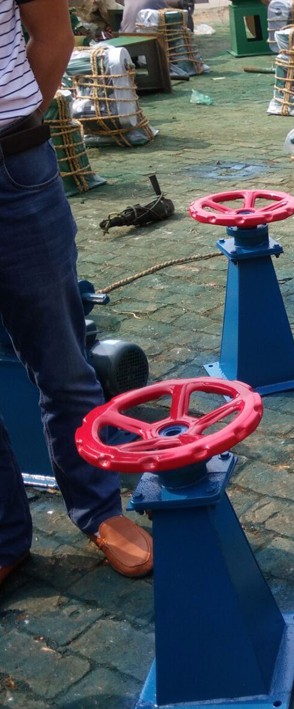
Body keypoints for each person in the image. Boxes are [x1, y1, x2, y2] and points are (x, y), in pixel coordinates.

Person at [0, 0, 153, 589]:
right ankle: (4, 536)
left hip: (13, 167)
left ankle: (99, 511)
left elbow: (53, 36)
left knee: (62, 363)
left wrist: (16, 120)